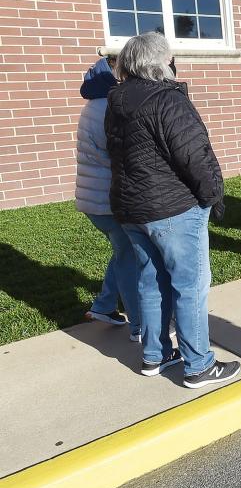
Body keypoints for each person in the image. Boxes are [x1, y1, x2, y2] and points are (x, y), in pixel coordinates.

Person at [105, 32, 239, 388]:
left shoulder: (115, 101)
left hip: (132, 209)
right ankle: (198, 365)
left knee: (151, 281)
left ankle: (156, 354)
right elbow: (194, 155)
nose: (172, 63)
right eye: (169, 58)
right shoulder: (167, 99)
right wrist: (212, 195)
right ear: (157, 63)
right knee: (190, 285)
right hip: (172, 208)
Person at [76, 55, 141, 342]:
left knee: (122, 252)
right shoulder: (108, 106)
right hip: (109, 200)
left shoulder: (95, 103)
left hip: (95, 200)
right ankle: (140, 325)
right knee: (130, 260)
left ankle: (103, 306)